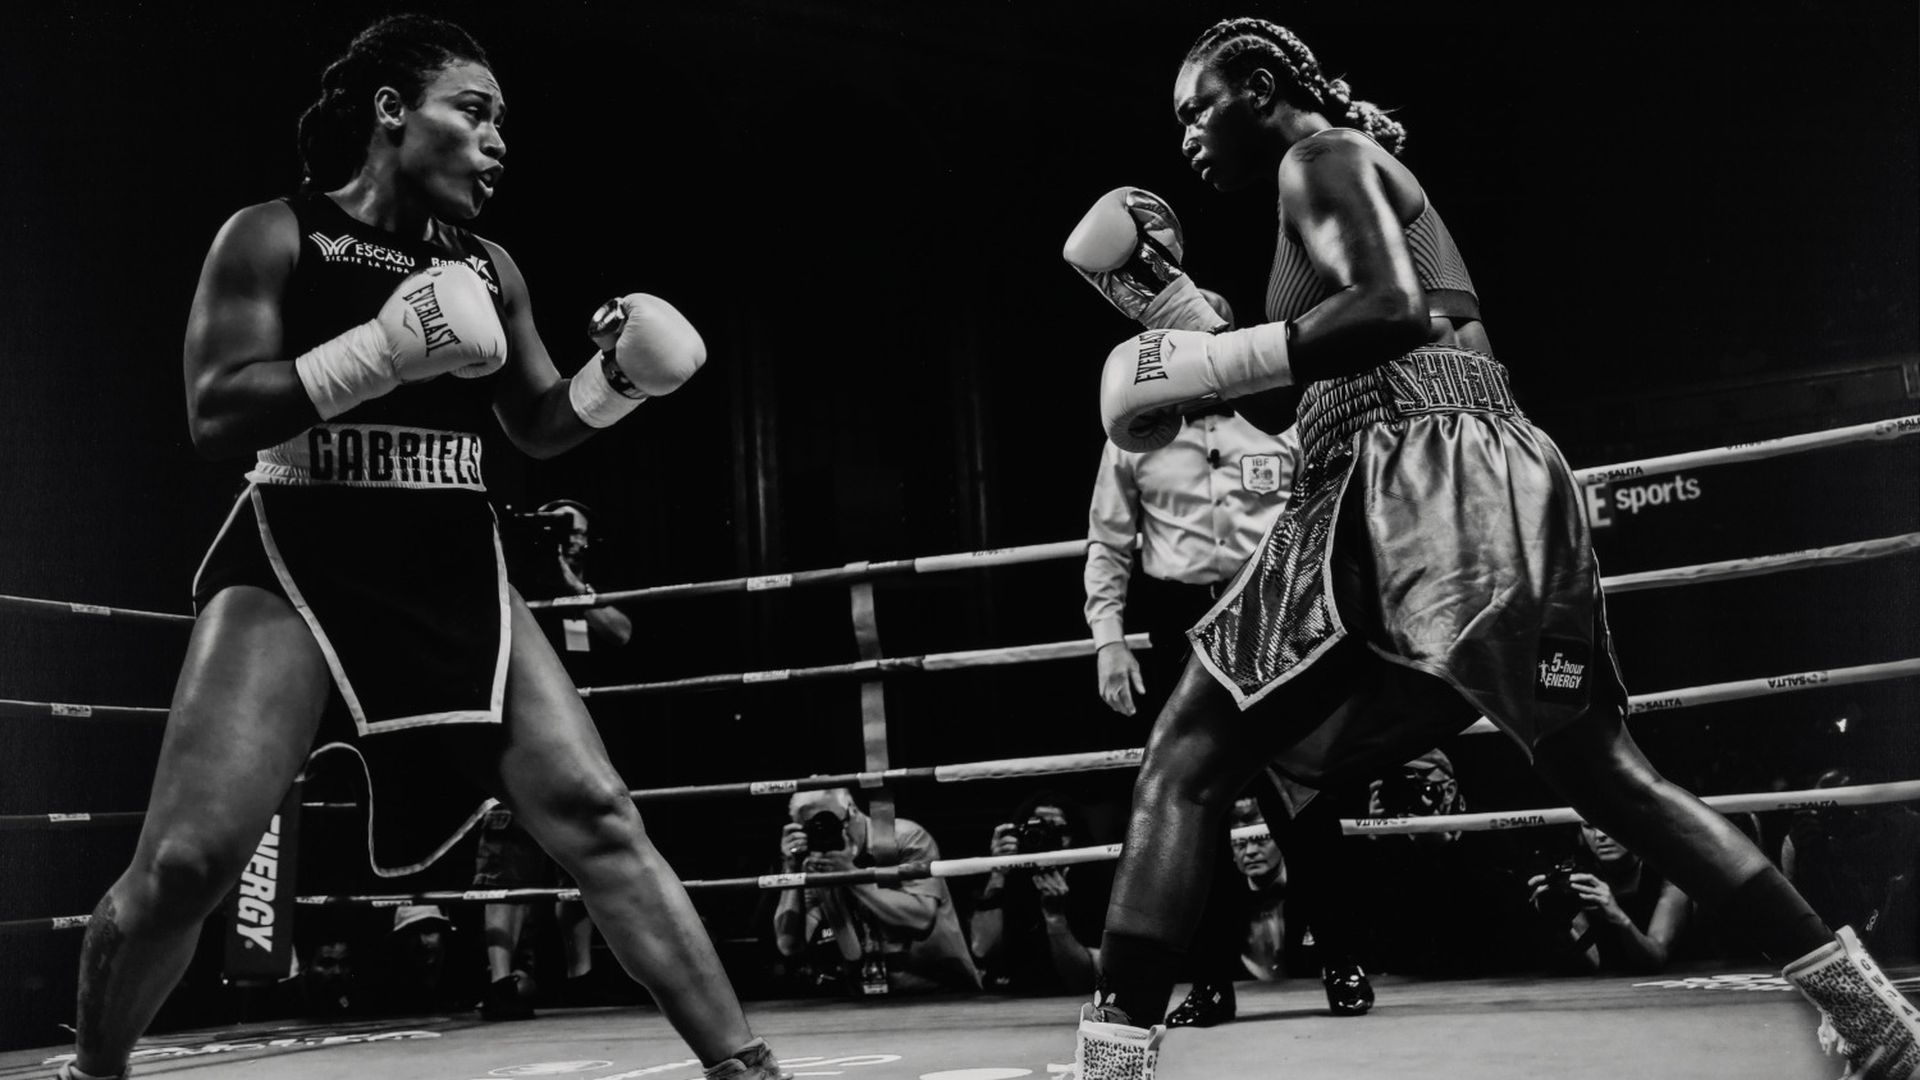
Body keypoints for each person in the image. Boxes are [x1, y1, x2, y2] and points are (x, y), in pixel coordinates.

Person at [1070, 18, 1920, 1079]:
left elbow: (1390, 312)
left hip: (1405, 487)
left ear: (1260, 82)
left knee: (1187, 755)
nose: (1188, 136)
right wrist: (1191, 337)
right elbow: (1354, 359)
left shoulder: (1318, 157)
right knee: (1604, 773)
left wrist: (1212, 360)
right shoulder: (1355, 170)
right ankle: (1871, 1011)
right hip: (1492, 481)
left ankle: (1109, 1066)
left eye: (1198, 107)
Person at [62, 16, 787, 1080]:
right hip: (300, 547)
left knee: (596, 812)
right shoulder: (274, 235)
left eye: (503, 124)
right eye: (475, 112)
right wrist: (377, 352)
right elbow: (216, 414)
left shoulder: (490, 268)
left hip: (450, 552)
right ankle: (97, 1074)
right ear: (392, 113)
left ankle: (744, 1069)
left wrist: (617, 381)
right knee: (186, 860)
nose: (498, 144)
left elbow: (537, 422)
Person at [1070, 277, 1372, 1023]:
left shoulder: (1276, 418)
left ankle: (1342, 962)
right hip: (1184, 618)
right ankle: (1208, 983)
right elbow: (1108, 545)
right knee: (1189, 806)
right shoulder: (1134, 434)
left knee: (1303, 799)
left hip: (1276, 611)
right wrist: (1108, 639)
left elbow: (1327, 512)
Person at [475, 499, 629, 1020]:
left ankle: (580, 976)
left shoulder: (587, 586)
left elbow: (622, 630)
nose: (568, 538)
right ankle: (500, 983)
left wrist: (569, 582)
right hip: (516, 729)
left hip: (583, 735)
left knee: (583, 849)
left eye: (576, 530)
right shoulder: (510, 576)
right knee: (505, 857)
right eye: (558, 528)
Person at [772, 788, 981, 994]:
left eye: (830, 822)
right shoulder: (817, 864)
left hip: (940, 991)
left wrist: (851, 875)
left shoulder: (905, 837)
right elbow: (789, 945)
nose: (825, 832)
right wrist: (791, 868)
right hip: (866, 1000)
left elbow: (921, 920)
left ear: (852, 810)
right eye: (813, 828)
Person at [970, 791, 1110, 995]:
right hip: (1011, 997)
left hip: (1070, 997)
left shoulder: (1094, 880)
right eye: (1038, 828)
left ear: (1075, 836)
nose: (1046, 837)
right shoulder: (1005, 875)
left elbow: (1082, 980)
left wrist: (1056, 919)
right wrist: (998, 871)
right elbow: (982, 951)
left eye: (1058, 830)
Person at [1528, 822, 1693, 975]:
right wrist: (1560, 921)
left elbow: (1654, 959)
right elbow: (1596, 963)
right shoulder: (1581, 875)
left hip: (1686, 983)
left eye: (1610, 824)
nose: (1600, 835)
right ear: (1580, 834)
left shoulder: (1669, 874)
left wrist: (1618, 917)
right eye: (1589, 826)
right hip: (1615, 989)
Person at [1224, 795, 1291, 982]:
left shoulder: (1312, 887)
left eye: (1261, 839)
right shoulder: (1222, 906)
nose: (1251, 851)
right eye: (1240, 843)